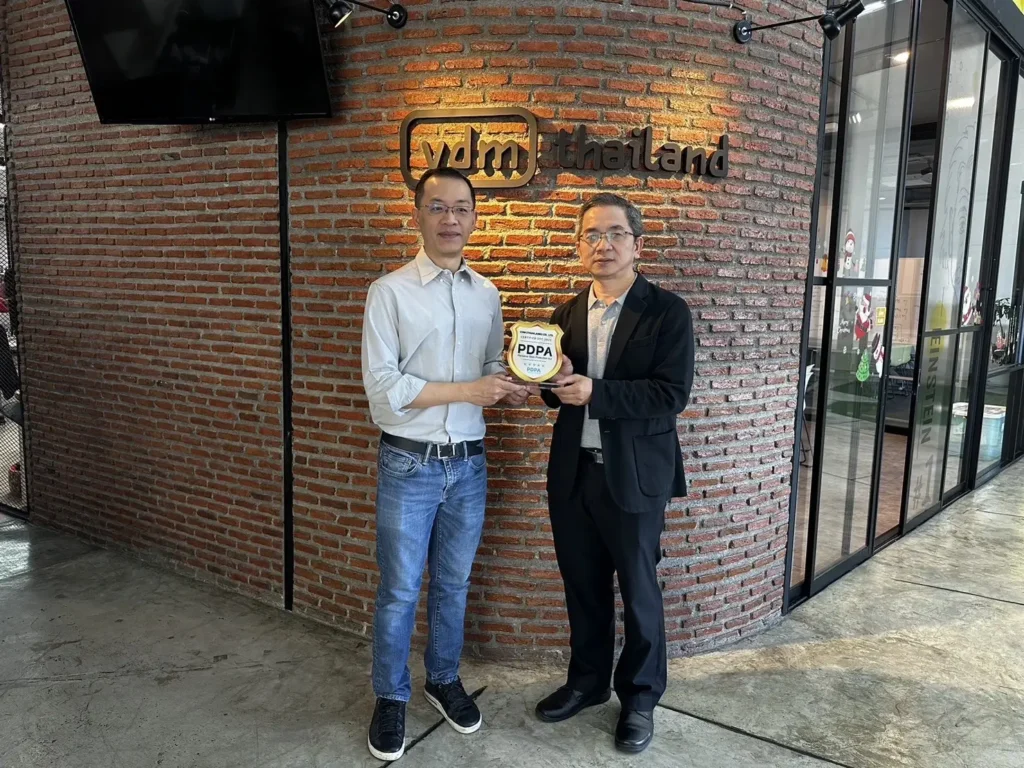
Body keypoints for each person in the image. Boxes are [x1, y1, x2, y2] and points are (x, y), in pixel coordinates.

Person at [360, 168, 529, 761]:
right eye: (437, 207)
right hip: (409, 464)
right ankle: (390, 695)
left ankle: (442, 679)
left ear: (475, 218)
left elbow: (490, 366)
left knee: (454, 584)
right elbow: (383, 391)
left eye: (461, 208)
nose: (450, 219)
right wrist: (470, 391)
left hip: (469, 466)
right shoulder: (389, 292)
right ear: (418, 216)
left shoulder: (487, 294)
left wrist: (514, 383)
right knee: (400, 590)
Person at [534, 193, 694, 754]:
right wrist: (547, 380)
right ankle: (587, 682)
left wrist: (596, 392)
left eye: (615, 233)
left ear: (637, 243)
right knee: (583, 585)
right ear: (579, 245)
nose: (602, 245)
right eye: (591, 235)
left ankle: (641, 698)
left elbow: (671, 394)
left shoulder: (667, 311)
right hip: (573, 473)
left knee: (640, 590)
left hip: (635, 476)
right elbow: (554, 394)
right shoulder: (564, 315)